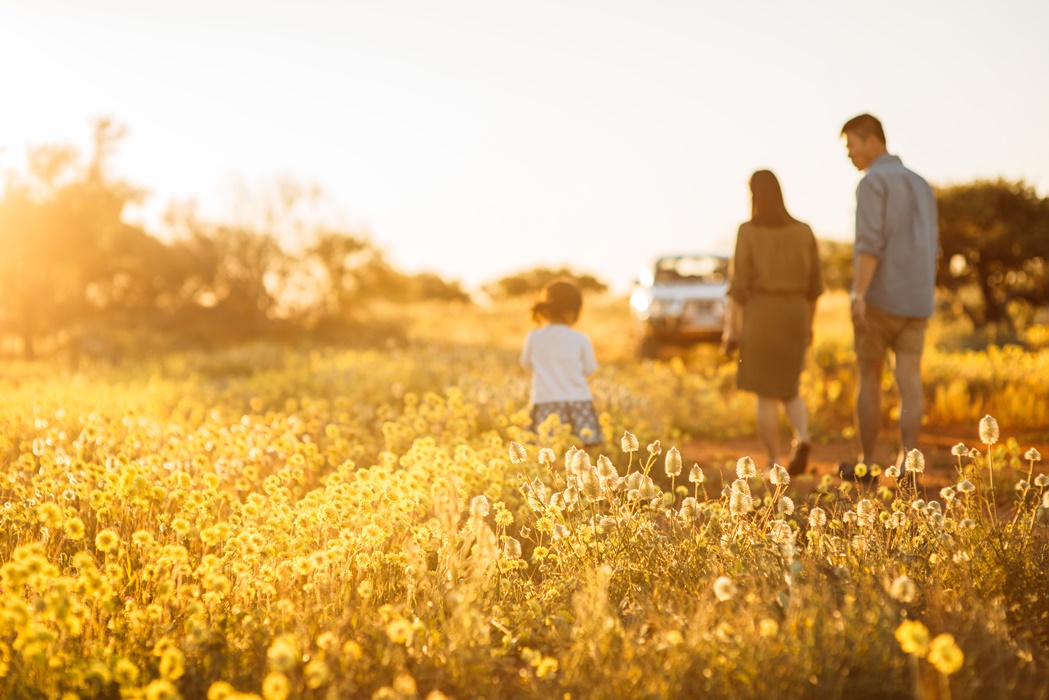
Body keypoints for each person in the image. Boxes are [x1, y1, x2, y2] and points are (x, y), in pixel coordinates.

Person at [840, 113, 939, 479]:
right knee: (909, 379)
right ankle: (907, 464)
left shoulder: (872, 183)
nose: (849, 154)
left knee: (869, 376)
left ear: (871, 141)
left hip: (881, 299)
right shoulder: (921, 184)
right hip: (917, 300)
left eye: (851, 145)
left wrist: (858, 295)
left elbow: (870, 245)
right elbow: (934, 245)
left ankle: (867, 462)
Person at [722, 170, 824, 474]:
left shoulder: (748, 231)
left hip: (761, 313)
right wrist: (809, 324)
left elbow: (738, 287)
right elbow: (814, 287)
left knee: (765, 393)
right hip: (795, 312)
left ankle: (775, 463)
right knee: (789, 387)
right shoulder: (804, 231)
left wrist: (731, 329)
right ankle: (802, 437)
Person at [521, 278, 604, 449]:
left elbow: (526, 364)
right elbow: (590, 369)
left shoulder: (534, 337)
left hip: (545, 402)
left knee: (549, 455)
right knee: (581, 456)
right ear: (572, 311)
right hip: (578, 402)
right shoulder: (581, 339)